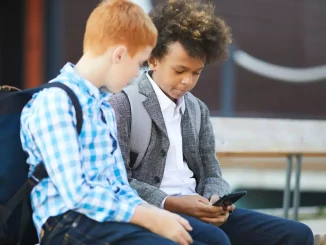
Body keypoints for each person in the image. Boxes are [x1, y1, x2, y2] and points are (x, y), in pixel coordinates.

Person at [109, 0, 314, 244]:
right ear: (153, 59)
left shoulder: (197, 110)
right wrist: (171, 202)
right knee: (216, 240)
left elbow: (211, 173)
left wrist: (215, 200)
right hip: (154, 213)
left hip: (200, 210)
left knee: (298, 234)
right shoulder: (122, 105)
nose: (187, 81)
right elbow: (117, 181)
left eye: (196, 72)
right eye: (180, 70)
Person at [20, 1, 194, 244]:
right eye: (138, 63)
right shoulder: (55, 102)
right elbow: (76, 194)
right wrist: (148, 218)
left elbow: (118, 186)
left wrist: (155, 213)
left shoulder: (102, 106)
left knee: (209, 238)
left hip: (107, 218)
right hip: (67, 224)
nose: (137, 73)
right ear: (119, 55)